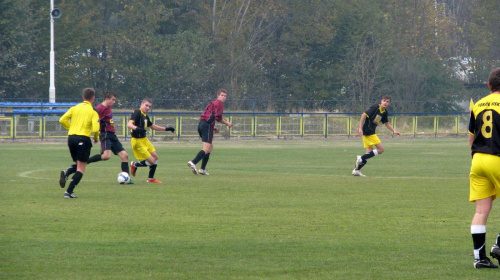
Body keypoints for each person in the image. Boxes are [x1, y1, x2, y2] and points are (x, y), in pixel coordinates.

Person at [468, 68, 500, 269]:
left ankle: (479, 258)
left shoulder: (478, 104)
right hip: (497, 157)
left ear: (489, 85)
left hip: (478, 159)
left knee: (481, 211)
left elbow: (471, 137)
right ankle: (499, 245)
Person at [78, 91, 134, 184]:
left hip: (112, 134)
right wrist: (94, 134)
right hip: (105, 134)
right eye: (113, 100)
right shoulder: (99, 108)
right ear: (107, 99)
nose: (114, 102)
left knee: (124, 155)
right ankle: (85, 161)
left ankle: (127, 179)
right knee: (106, 156)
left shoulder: (109, 107)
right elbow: (93, 119)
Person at [58, 88, 99, 198]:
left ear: (83, 97)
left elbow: (62, 120)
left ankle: (67, 173)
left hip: (71, 138)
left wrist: (70, 128)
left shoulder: (74, 108)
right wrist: (96, 137)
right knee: (81, 168)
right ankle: (69, 191)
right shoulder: (93, 112)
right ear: (93, 98)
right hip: (83, 139)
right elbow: (95, 129)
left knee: (78, 164)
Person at [127, 98, 175, 183]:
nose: (148, 108)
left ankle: (150, 178)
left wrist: (167, 129)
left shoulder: (145, 116)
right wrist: (136, 128)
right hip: (137, 141)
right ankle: (135, 164)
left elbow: (153, 127)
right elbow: (129, 124)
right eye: (146, 105)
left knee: (155, 157)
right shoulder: (137, 112)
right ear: (141, 104)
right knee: (152, 161)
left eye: (149, 106)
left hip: (144, 140)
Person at [352, 95, 400, 177]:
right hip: (369, 132)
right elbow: (363, 115)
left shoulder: (385, 112)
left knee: (369, 153)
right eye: (384, 101)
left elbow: (386, 123)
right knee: (380, 149)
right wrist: (360, 128)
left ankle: (356, 170)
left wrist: (393, 130)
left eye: (387, 102)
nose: (385, 103)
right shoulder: (375, 108)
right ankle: (361, 158)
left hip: (368, 132)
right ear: (381, 101)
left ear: (389, 104)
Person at [187, 89, 232, 175]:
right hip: (206, 125)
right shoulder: (219, 104)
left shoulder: (212, 103)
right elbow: (218, 117)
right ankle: (193, 162)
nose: (223, 97)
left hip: (202, 124)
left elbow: (209, 116)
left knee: (209, 147)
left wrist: (213, 127)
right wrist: (227, 123)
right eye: (222, 95)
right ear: (217, 95)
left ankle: (202, 169)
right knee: (207, 148)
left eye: (225, 96)